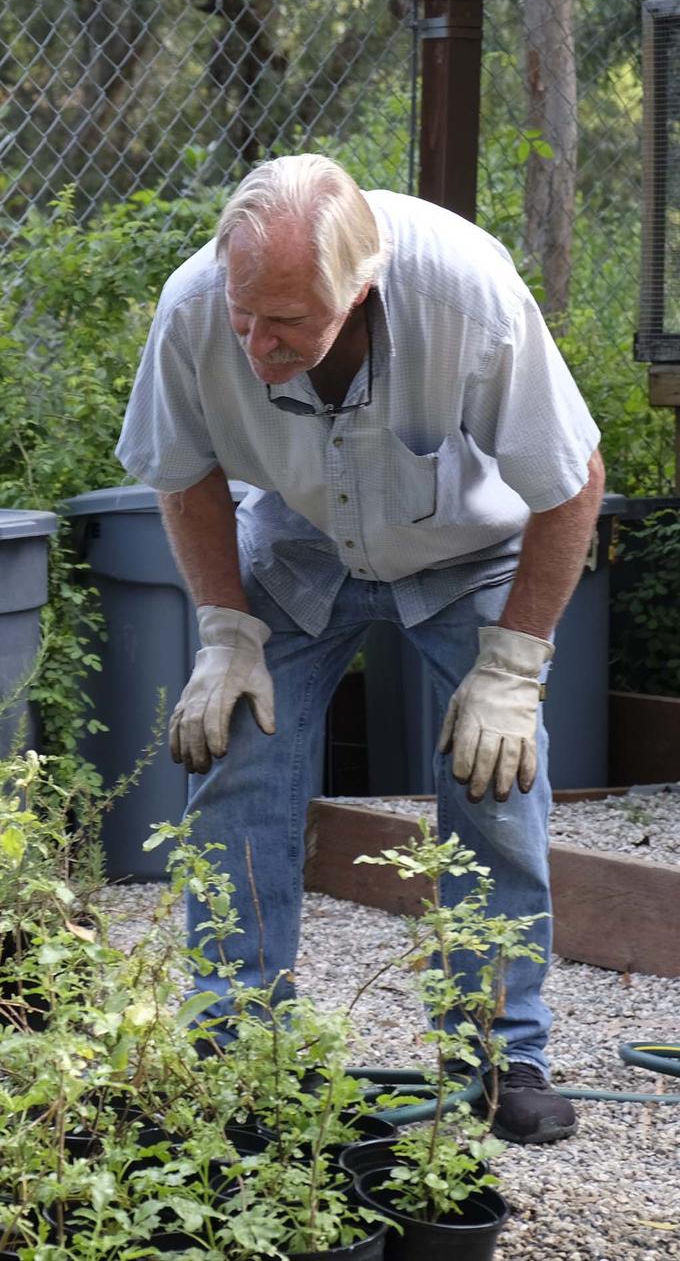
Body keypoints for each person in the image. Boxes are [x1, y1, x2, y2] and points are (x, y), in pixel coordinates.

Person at [117, 153, 603, 1144]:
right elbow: (182, 470)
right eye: (244, 317)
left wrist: (513, 663)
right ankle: (235, 1049)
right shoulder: (193, 308)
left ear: (358, 286)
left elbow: (569, 483)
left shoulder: (467, 296)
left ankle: (497, 1052)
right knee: (234, 752)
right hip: (296, 544)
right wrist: (223, 630)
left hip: (465, 548)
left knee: (496, 777)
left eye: (285, 324)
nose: (255, 343)